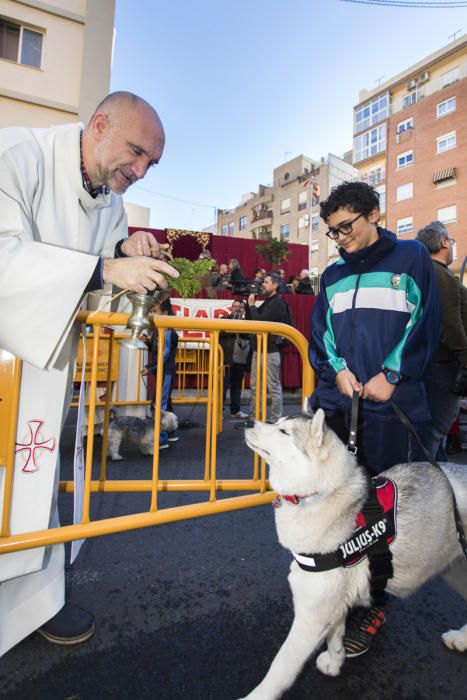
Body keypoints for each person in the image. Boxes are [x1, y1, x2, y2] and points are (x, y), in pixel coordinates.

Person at [0, 91, 179, 656]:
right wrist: (108, 264)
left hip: (44, 372)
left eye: (151, 163)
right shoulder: (17, 154)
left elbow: (104, 267)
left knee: (35, 483)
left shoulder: (109, 200)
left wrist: (127, 245)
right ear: (98, 125)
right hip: (6, 363)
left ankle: (35, 600)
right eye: (136, 153)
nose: (141, 170)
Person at [309, 180, 440, 658]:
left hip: (392, 407)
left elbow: (425, 321)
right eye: (332, 232)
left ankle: (373, 604)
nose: (339, 238)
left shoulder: (411, 257)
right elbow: (320, 332)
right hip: (344, 407)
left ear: (374, 213)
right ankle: (340, 592)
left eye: (346, 227)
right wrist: (339, 371)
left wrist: (392, 373)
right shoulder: (332, 275)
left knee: (381, 512)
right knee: (339, 505)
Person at [416, 221, 467, 461]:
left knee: (434, 435)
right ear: (444, 242)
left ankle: (441, 487)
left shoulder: (430, 273)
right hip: (442, 366)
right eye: (452, 241)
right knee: (433, 433)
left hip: (435, 365)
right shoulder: (439, 275)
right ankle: (428, 490)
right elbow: (450, 326)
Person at [246, 273, 289, 423]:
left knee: (273, 387)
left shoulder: (277, 303)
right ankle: (255, 417)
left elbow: (260, 322)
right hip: (259, 349)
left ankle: (275, 420)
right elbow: (250, 320)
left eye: (266, 282)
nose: (262, 285)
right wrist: (249, 303)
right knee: (255, 386)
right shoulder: (267, 302)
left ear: (275, 285)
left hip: (271, 351)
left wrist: (252, 305)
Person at [142, 299, 179, 447]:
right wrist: (147, 342)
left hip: (166, 372)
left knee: (159, 404)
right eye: (151, 311)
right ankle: (171, 433)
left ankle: (161, 437)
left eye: (154, 311)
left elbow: (164, 355)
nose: (151, 314)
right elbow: (157, 352)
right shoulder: (159, 329)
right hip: (162, 371)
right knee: (166, 403)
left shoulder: (168, 331)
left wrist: (150, 368)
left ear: (164, 313)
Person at [219, 299, 250, 419]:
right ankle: (219, 411)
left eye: (240, 307)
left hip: (240, 361)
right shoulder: (223, 320)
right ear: (231, 308)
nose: (237, 308)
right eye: (235, 306)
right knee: (222, 387)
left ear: (243, 310)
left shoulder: (248, 323)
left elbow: (247, 336)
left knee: (237, 388)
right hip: (226, 360)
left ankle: (235, 411)